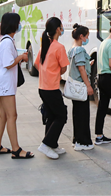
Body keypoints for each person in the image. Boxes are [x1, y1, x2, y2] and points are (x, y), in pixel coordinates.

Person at [0, 13, 33, 160]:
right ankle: (16, 149)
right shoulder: (7, 42)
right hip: (6, 85)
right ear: (13, 25)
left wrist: (18, 59)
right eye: (18, 23)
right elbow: (8, 63)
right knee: (12, 116)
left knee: (3, 115)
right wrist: (21, 57)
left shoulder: (6, 40)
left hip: (3, 83)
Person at [34, 17, 69, 159]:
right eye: (61, 26)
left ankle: (52, 144)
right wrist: (55, 73)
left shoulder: (45, 46)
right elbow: (64, 68)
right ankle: (46, 144)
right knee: (62, 116)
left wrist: (47, 73)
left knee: (52, 116)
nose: (62, 29)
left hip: (42, 87)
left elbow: (37, 64)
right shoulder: (58, 47)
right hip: (52, 88)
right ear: (57, 30)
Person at [68, 23, 94, 151]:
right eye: (87, 36)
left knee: (77, 113)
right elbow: (81, 69)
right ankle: (82, 141)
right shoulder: (79, 50)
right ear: (81, 36)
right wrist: (89, 86)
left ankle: (76, 139)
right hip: (81, 85)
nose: (87, 39)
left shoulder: (72, 49)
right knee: (83, 114)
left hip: (75, 85)